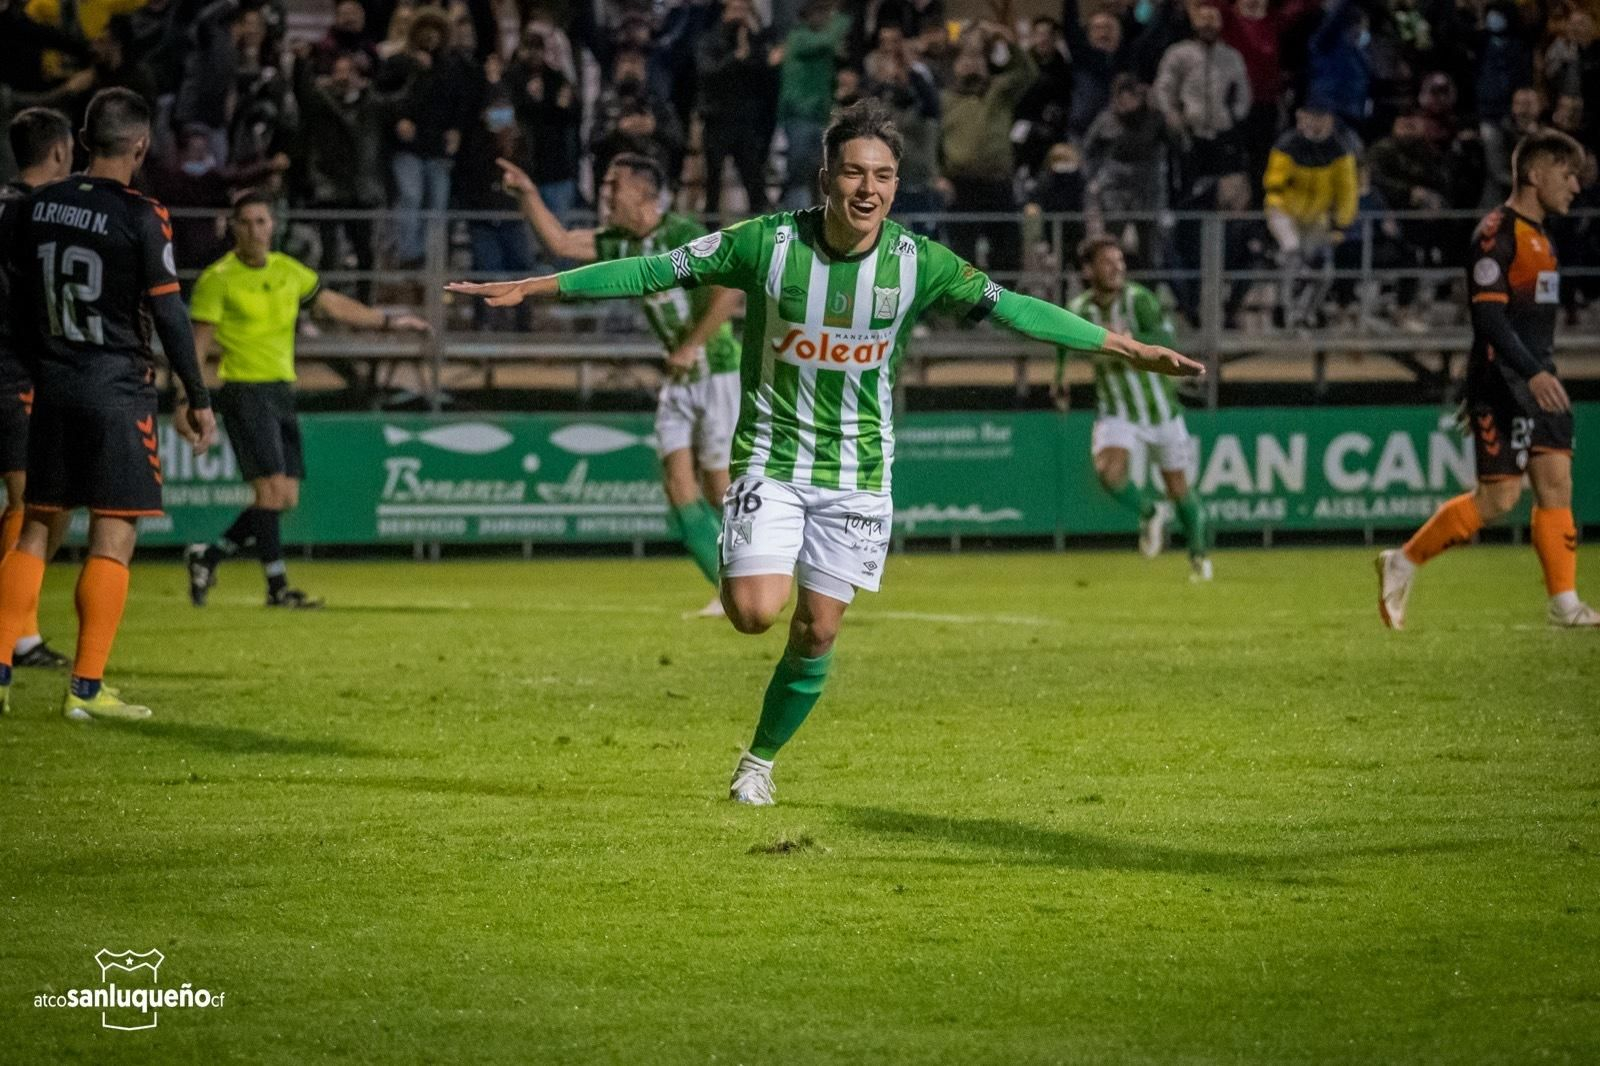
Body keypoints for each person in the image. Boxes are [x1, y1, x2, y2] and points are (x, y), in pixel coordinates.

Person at [447, 99, 1203, 805]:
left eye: (883, 176)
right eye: (854, 172)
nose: (868, 189)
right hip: (773, 459)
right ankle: (747, 639)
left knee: (820, 629)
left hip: (860, 472)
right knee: (754, 613)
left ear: (896, 185)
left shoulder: (919, 261)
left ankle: (758, 764)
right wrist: (539, 287)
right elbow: (652, 269)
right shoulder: (765, 244)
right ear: (826, 178)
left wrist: (1123, 345)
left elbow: (1017, 309)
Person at [0, 88, 216, 721]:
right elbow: (170, 315)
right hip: (116, 390)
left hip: (52, 387)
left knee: (36, 527)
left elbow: (16, 298)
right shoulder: (142, 215)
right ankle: (86, 689)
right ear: (141, 146)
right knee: (114, 533)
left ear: (83, 140)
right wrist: (196, 394)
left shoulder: (34, 208)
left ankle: (0, 671)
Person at [494, 153, 743, 616]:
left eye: (614, 185)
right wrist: (528, 195)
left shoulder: (684, 235)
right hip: (677, 379)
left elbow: (730, 291)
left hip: (717, 370)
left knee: (718, 490)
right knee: (676, 486)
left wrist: (692, 344)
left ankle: (760, 573)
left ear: (645, 193)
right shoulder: (621, 242)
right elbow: (562, 243)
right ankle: (728, 592)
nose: (605, 194)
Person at [1378, 131, 1596, 630]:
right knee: (1499, 499)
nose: (1575, 187)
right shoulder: (1496, 233)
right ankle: (1402, 562)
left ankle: (1565, 604)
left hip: (1540, 378)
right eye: (1567, 175)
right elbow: (1489, 318)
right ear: (1535, 174)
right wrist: (1529, 372)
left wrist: (1541, 371)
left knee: (1556, 483)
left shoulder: (1542, 237)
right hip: (1504, 381)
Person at [184, 192, 428, 609]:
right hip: (244, 390)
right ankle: (277, 587)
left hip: (281, 390)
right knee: (269, 492)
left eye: (262, 221)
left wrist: (388, 321)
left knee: (285, 497)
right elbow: (198, 345)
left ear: (273, 226)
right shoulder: (218, 278)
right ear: (233, 228)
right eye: (247, 222)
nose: (255, 230)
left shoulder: (287, 270)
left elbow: (334, 305)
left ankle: (208, 557)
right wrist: (186, 399)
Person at [1055, 236, 1212, 580]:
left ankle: (1199, 558)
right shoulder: (1080, 309)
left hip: (1159, 409)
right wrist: (1061, 379)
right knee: (1108, 473)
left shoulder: (1139, 300)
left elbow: (1167, 341)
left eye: (1120, 261)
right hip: (1117, 409)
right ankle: (1150, 512)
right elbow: (1061, 342)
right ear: (1088, 270)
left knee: (1178, 488)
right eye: (1107, 262)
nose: (1117, 268)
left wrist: (1131, 341)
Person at [0, 108, 75, 669]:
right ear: (59, 152)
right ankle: (16, 635)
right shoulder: (41, 215)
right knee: (37, 505)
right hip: (16, 368)